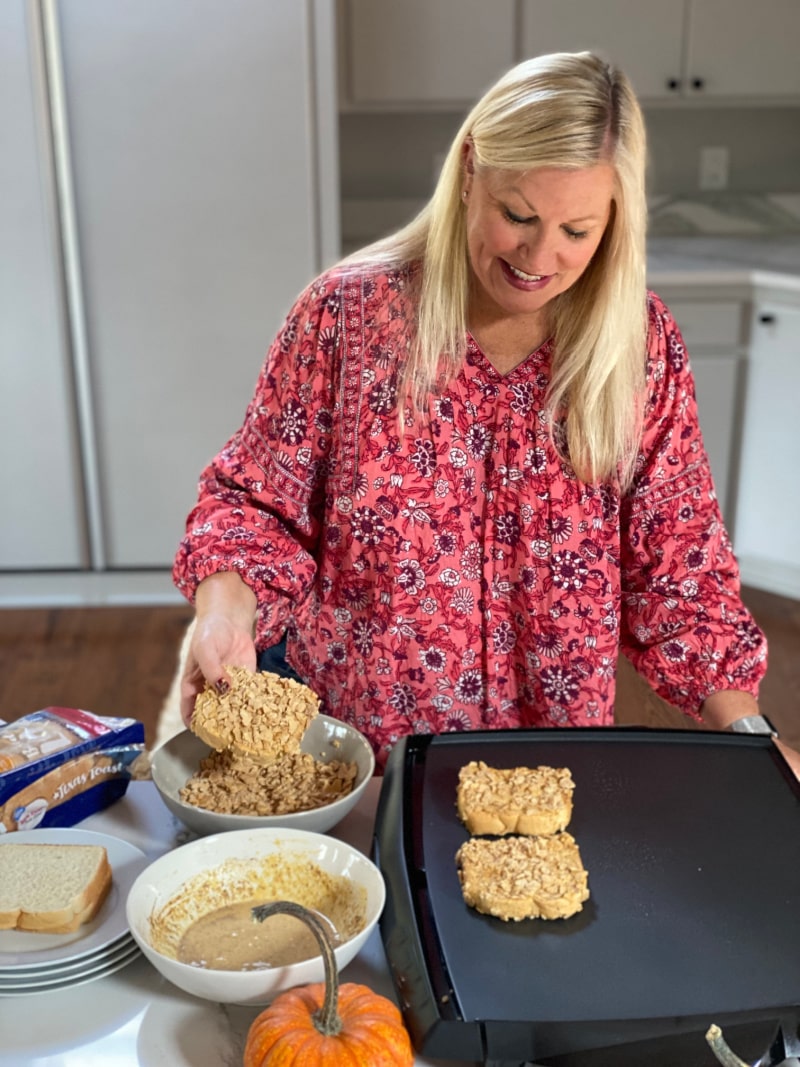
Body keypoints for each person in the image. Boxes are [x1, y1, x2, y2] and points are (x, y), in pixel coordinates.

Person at [173, 51, 799, 778]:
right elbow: (252, 504)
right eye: (519, 215)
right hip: (366, 768)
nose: (541, 256)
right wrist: (222, 613)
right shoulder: (346, 319)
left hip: (549, 779)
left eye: (578, 230)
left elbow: (681, 570)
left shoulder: (639, 346)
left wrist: (755, 737)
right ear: (470, 167)